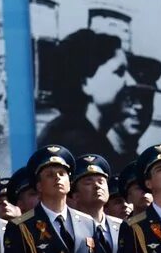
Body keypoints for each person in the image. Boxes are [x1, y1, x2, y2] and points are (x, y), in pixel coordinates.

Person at [37, 29, 128, 157]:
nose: (130, 82)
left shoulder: (89, 136)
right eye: (119, 72)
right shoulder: (76, 146)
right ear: (86, 83)